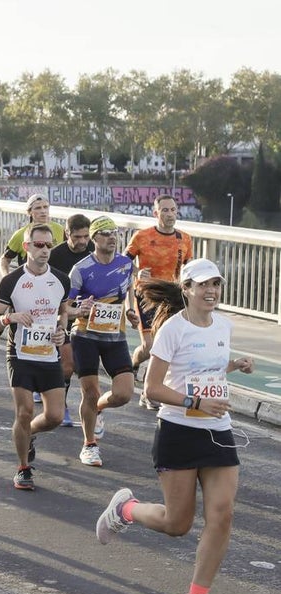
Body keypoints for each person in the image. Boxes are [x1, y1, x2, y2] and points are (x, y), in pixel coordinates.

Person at [95, 258, 253, 594]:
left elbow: (204, 369)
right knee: (177, 524)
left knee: (222, 515)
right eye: (202, 285)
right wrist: (195, 403)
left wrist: (233, 365)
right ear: (186, 289)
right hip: (179, 430)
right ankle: (126, 509)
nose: (211, 291)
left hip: (217, 430)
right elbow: (151, 388)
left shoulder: (224, 326)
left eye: (215, 284)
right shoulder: (171, 329)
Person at [0, 223, 71, 491]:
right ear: (26, 247)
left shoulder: (61, 280)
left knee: (55, 416)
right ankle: (23, 468)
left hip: (48, 354)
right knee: (24, 412)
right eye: (39, 245)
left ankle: (29, 433)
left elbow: (63, 311)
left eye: (49, 245)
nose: (44, 250)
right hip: (20, 355)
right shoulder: (11, 281)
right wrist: (10, 317)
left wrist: (62, 332)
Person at [67, 217, 139, 466]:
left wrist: (131, 311)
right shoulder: (81, 269)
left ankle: (97, 408)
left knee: (124, 393)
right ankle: (89, 445)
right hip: (85, 336)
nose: (112, 237)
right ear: (94, 239)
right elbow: (65, 305)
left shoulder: (126, 264)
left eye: (115, 233)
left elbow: (129, 291)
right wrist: (79, 309)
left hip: (115, 336)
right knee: (89, 391)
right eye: (106, 233)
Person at [126, 194, 193, 410]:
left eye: (173, 209)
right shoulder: (142, 237)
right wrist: (138, 272)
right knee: (150, 347)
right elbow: (121, 263)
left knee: (169, 346)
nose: (170, 214)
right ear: (156, 213)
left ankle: (149, 391)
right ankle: (133, 364)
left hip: (172, 296)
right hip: (146, 294)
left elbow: (190, 270)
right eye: (164, 210)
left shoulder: (185, 239)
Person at [47, 213, 94, 425]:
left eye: (86, 236)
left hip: (88, 317)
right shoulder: (55, 255)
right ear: (67, 233)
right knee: (67, 364)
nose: (82, 241)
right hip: (61, 314)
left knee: (78, 366)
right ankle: (61, 405)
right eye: (77, 237)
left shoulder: (94, 250)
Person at [0, 194, 66, 276]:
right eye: (38, 208)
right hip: (29, 282)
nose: (43, 211)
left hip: (53, 280)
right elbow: (5, 259)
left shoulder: (60, 229)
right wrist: (6, 277)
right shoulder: (21, 234)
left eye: (45, 207)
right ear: (30, 212)